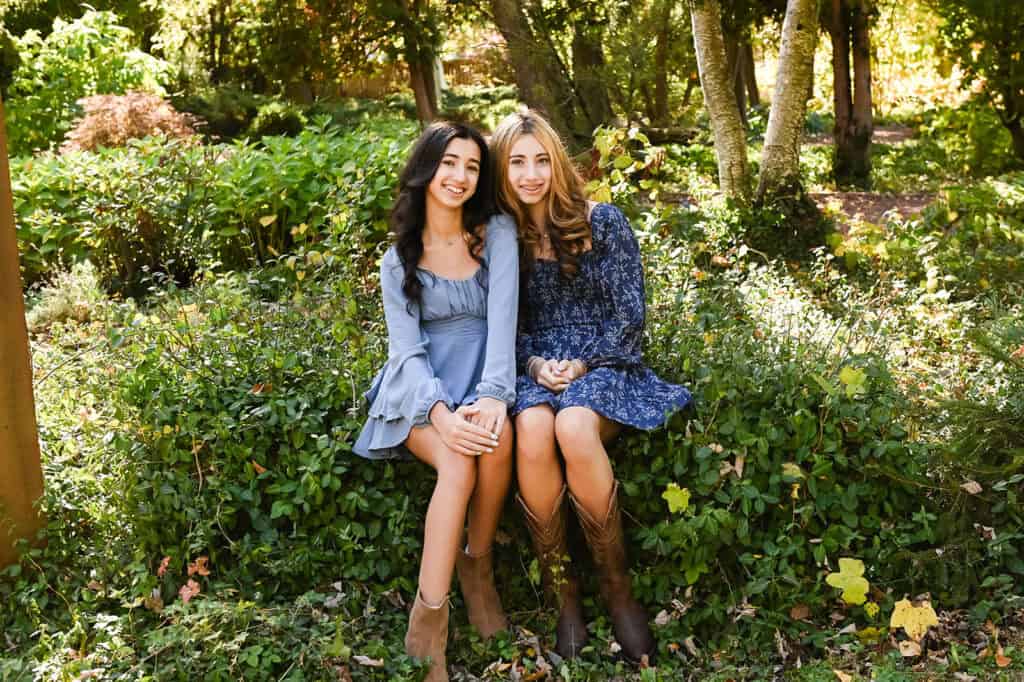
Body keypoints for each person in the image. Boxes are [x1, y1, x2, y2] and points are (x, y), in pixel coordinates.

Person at [490, 110, 692, 663]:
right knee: (532, 428)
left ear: (556, 162)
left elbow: (629, 314)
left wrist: (580, 364)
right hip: (535, 369)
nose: (530, 175)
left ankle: (617, 590)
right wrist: (533, 365)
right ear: (501, 172)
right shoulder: (500, 239)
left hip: (606, 363)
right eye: (516, 163)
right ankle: (565, 598)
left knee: (574, 425)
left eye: (540, 160)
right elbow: (503, 326)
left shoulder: (603, 222)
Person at [353, 121, 518, 682]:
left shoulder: (494, 233)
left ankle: (478, 566)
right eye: (450, 163)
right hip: (420, 390)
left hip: (483, 380)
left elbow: (503, 319)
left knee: (496, 440)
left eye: (472, 166)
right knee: (457, 459)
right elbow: (406, 352)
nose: (460, 177)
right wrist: (441, 414)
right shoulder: (398, 258)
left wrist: (493, 396)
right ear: (427, 168)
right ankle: (428, 623)